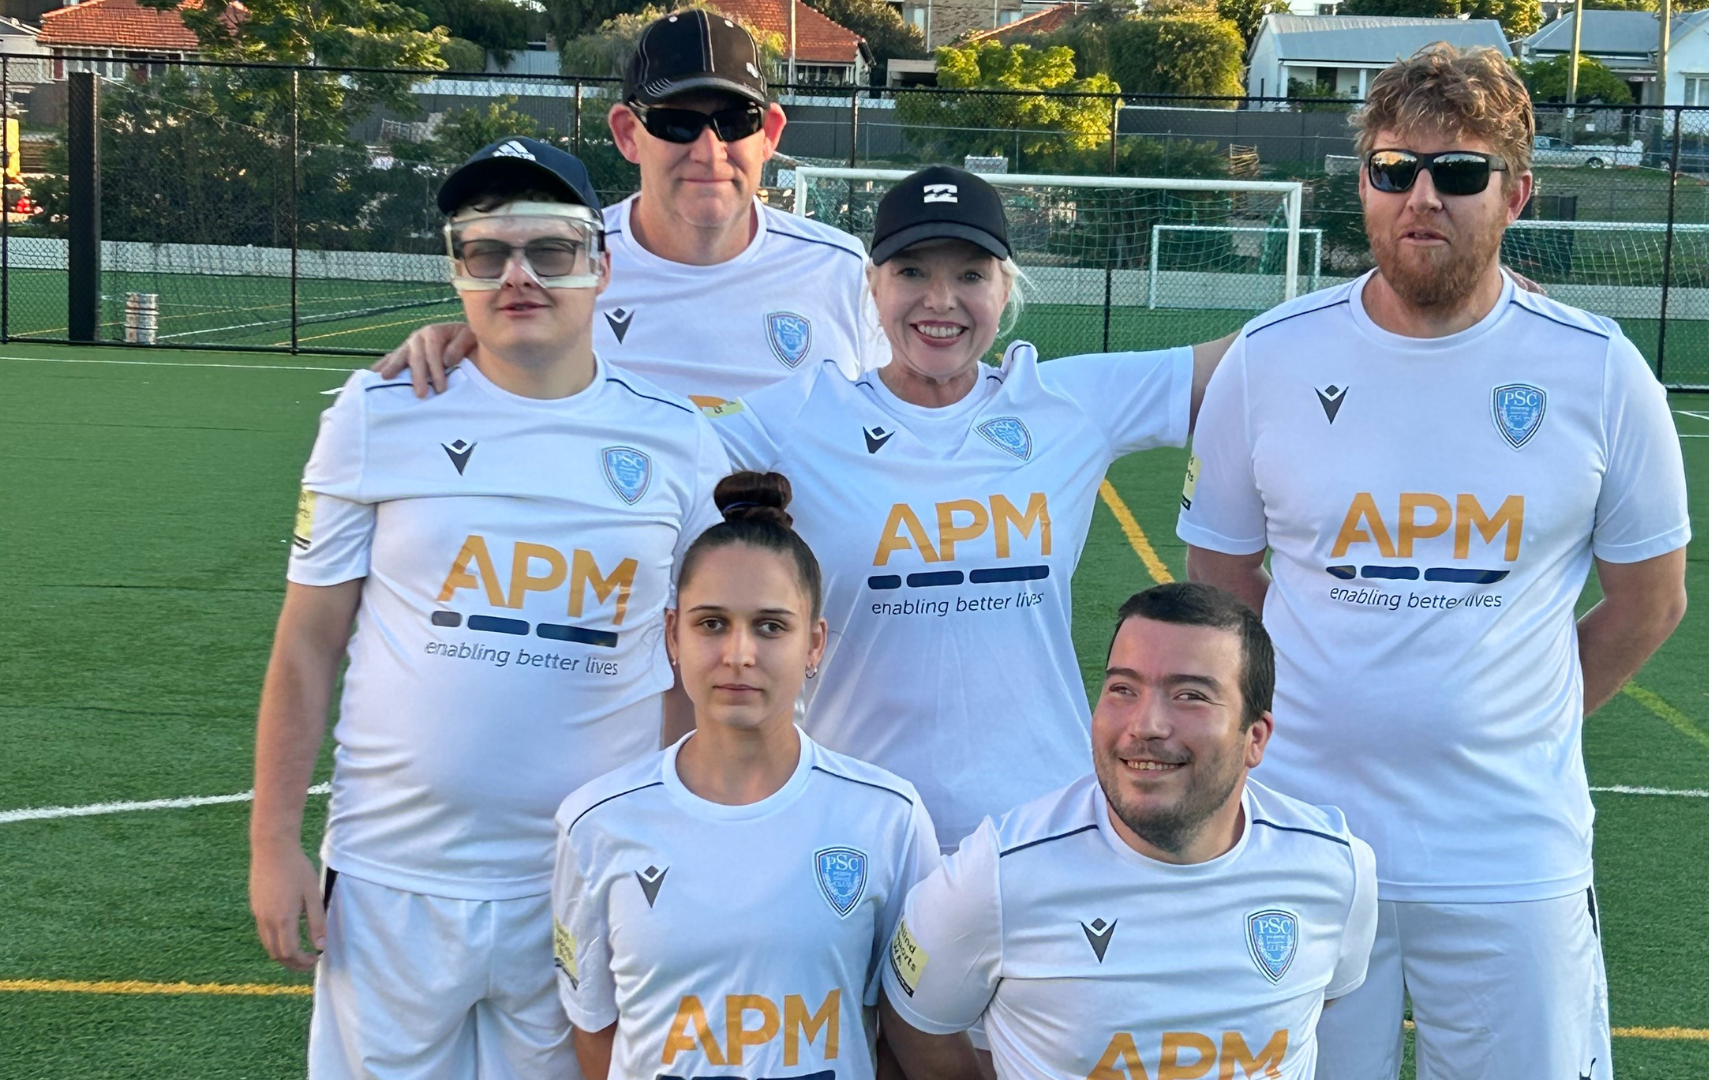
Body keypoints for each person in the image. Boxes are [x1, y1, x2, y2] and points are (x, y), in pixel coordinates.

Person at [1177, 45, 1689, 1080]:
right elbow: (1220, 591)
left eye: (1457, 172)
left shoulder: (1596, 370)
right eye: (1392, 168)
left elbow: (1648, 600)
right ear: (1360, 182)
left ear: (1516, 194)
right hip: (1306, 842)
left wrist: (1511, 723)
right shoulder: (1268, 359)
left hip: (1509, 851)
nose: (1422, 195)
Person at [250, 138, 729, 1078]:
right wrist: (273, 844)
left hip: (585, 879)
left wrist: (685, 833)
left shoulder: (676, 440)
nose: (518, 276)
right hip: (393, 880)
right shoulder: (375, 412)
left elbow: (691, 672)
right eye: (486, 251)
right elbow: (307, 646)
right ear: (456, 269)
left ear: (599, 263)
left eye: (549, 251)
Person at [711, 165, 1234, 852]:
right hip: (856, 828)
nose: (940, 301)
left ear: (1005, 287)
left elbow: (1250, 366)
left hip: (1044, 827)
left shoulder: (1067, 401)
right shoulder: (800, 416)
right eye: (912, 273)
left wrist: (1398, 283)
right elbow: (657, 459)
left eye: (970, 275)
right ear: (873, 285)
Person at [879, 582, 1378, 1080]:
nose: (1147, 724)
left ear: (1255, 738)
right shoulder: (997, 872)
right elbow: (917, 1024)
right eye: (1123, 689)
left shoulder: (1337, 869)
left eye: (1190, 696)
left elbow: (1320, 999)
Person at [552, 471, 939, 1080]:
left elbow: (908, 1026)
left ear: (814, 645)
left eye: (770, 626)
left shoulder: (886, 816)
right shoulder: (596, 822)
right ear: (671, 636)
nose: (739, 654)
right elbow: (595, 1028)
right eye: (711, 624)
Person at [375, 9, 885, 405]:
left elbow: (895, 414)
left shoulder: (840, 270)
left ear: (769, 133)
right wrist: (464, 342)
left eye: (735, 121)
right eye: (676, 123)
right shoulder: (570, 263)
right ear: (627, 134)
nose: (709, 151)